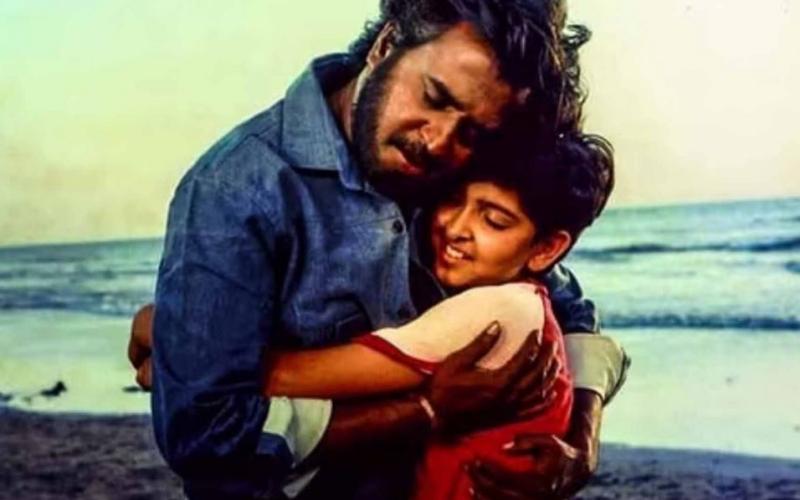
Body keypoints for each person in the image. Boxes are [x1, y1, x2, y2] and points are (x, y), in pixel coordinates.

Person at [128, 1, 629, 498]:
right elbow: (204, 433)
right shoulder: (238, 186)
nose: (438, 141)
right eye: (434, 97)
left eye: (472, 131)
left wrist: (581, 439)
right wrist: (426, 410)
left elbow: (569, 311)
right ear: (386, 44)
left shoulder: (458, 171)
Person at [260, 131, 615, 500]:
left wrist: (583, 437)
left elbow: (283, 376)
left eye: (494, 220)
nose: (456, 229)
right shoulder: (524, 295)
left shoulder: (492, 311)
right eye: (452, 200)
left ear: (547, 250)